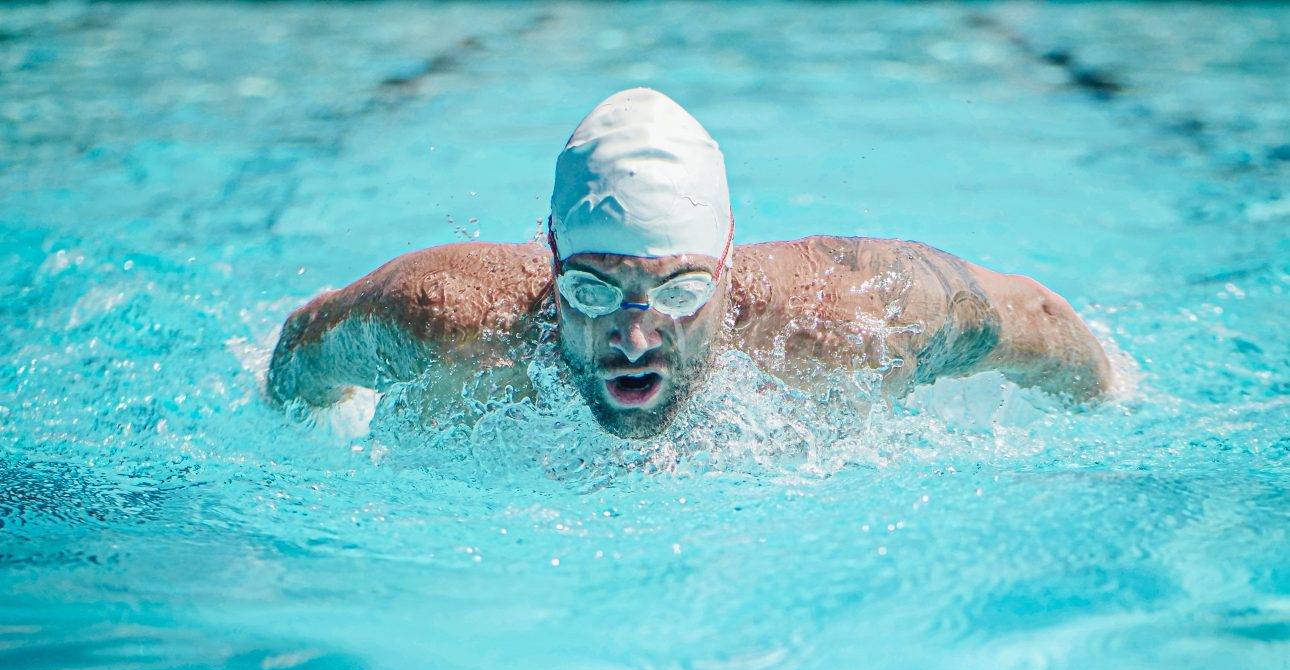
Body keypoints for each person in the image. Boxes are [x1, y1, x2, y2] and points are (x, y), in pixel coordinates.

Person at [268, 88, 1113, 439]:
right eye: (593, 288)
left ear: (729, 264)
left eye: (679, 289)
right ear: (550, 254)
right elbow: (303, 347)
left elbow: (1034, 319)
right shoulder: (445, 319)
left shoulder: (850, 316)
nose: (634, 336)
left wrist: (1118, 407)